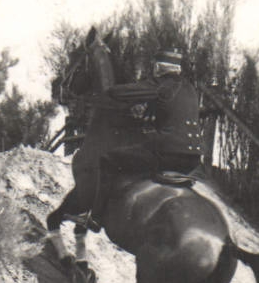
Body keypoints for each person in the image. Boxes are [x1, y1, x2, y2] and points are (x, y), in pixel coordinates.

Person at [79, 47, 204, 232]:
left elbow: (117, 93)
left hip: (169, 153)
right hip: (193, 159)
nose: (153, 70)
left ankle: (95, 218)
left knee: (108, 160)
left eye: (154, 66)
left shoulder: (161, 85)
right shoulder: (190, 88)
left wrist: (106, 91)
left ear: (160, 68)